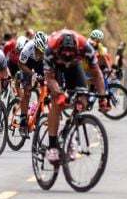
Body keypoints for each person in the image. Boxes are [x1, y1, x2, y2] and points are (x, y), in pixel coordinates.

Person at [44, 29, 109, 163]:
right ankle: (52, 146)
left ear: (77, 50)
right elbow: (49, 78)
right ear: (59, 50)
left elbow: (97, 74)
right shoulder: (50, 48)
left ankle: (70, 135)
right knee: (57, 102)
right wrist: (59, 93)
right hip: (56, 68)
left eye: (70, 55)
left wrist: (103, 97)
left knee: (82, 100)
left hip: (74, 67)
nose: (67, 58)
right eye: (64, 55)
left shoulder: (86, 47)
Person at [17, 32, 48, 135]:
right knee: (27, 91)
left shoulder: (47, 50)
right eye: (38, 50)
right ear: (35, 46)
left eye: (42, 51)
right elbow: (21, 64)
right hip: (27, 64)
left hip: (40, 64)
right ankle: (23, 119)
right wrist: (32, 74)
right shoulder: (28, 48)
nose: (40, 52)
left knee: (47, 86)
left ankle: (40, 112)